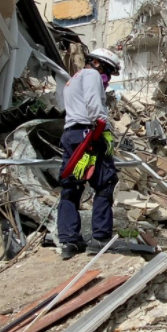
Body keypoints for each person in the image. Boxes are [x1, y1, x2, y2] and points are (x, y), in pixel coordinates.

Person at [57, 48, 122, 260]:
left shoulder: (72, 79)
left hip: (71, 134)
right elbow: (95, 105)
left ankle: (69, 240)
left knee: (71, 185)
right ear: (99, 64)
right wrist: (103, 130)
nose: (108, 79)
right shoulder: (92, 75)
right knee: (104, 182)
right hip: (90, 132)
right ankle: (100, 237)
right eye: (109, 72)